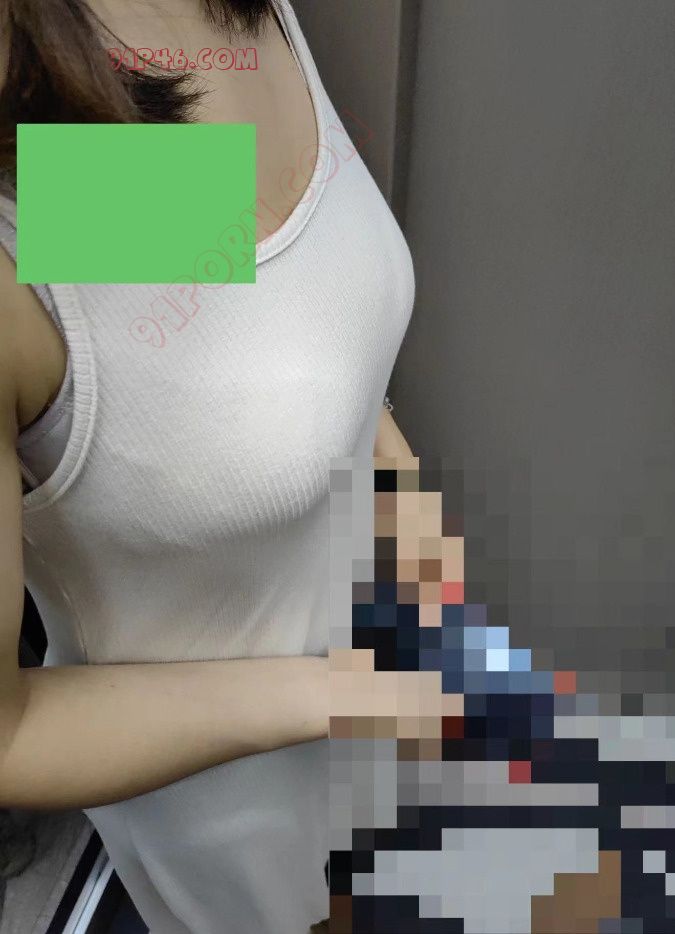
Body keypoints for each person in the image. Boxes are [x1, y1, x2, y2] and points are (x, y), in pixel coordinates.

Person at [0, 1, 415, 931]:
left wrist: (394, 474)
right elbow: (6, 732)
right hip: (229, 804)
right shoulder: (22, 198)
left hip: (371, 683)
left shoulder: (209, 25)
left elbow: (262, 321)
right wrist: (331, 695)